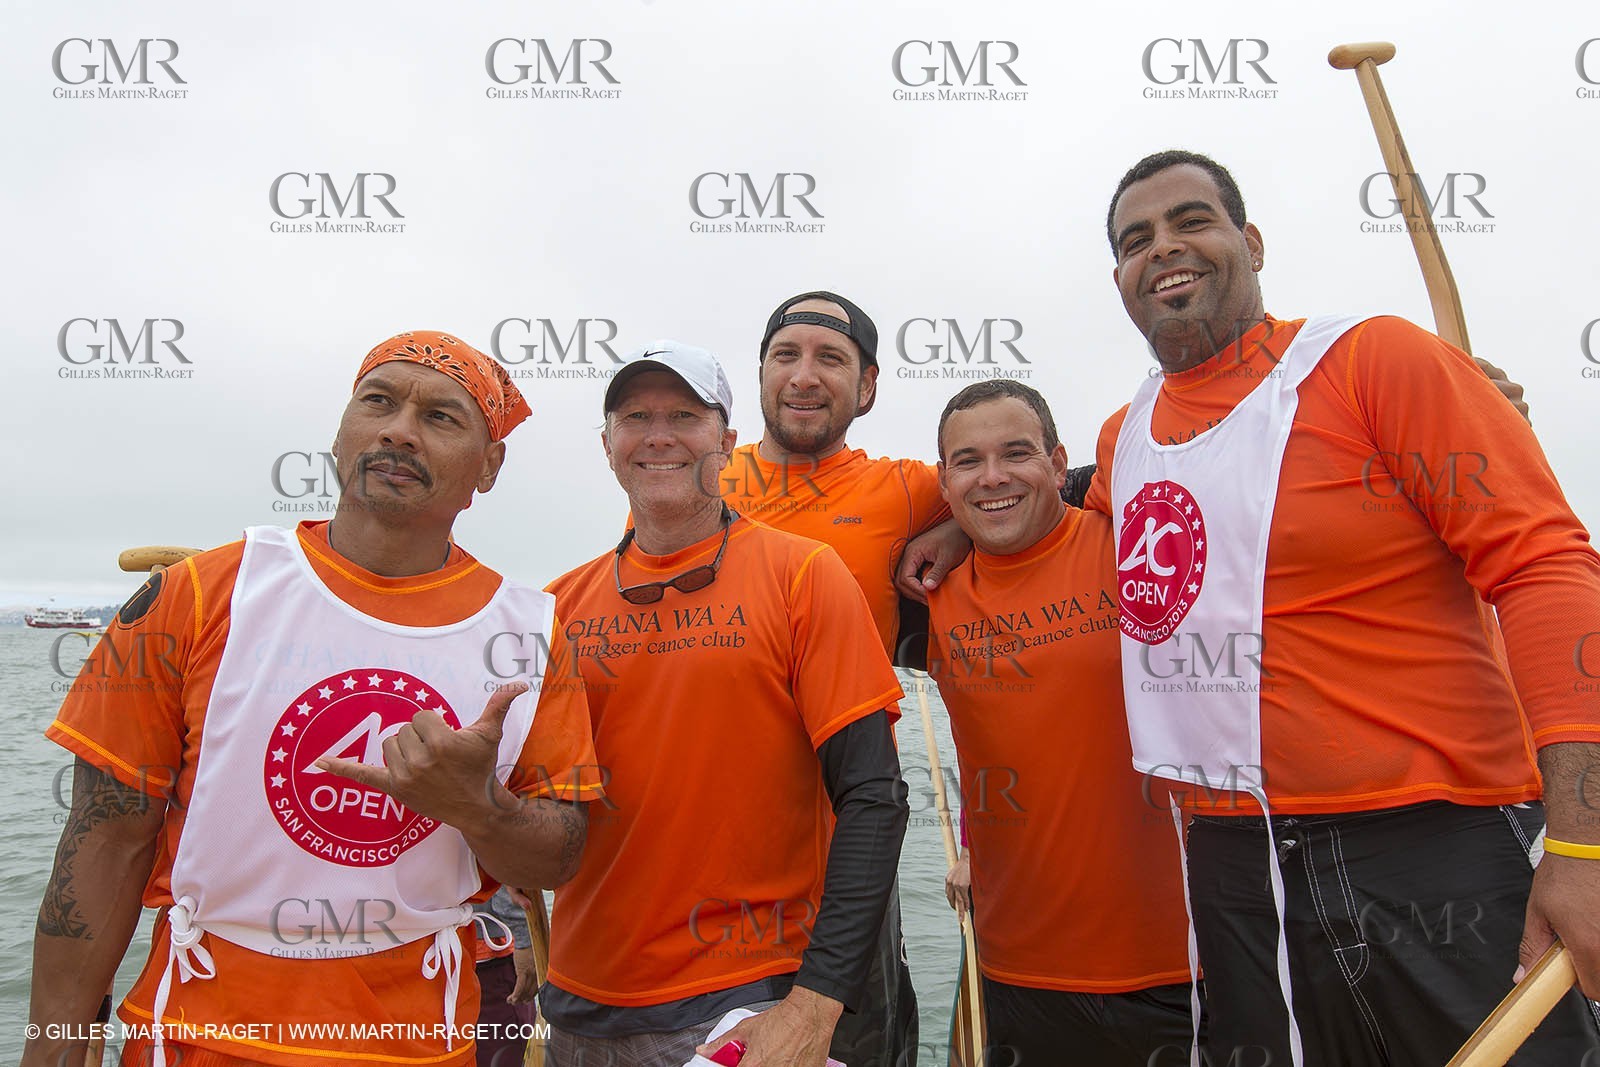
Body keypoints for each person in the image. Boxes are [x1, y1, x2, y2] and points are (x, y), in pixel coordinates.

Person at [1086, 149, 1600, 1065]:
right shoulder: (1123, 439)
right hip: (1232, 868)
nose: (1163, 247)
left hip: (1434, 846)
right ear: (1119, 277)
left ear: (1249, 240)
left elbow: (1547, 569)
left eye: (1191, 221)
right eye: (1135, 240)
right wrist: (954, 531)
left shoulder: (1377, 359)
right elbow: (1036, 520)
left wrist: (1586, 842)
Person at [25, 330, 602, 1067]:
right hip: (196, 1035)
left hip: (421, 1044)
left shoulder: (530, 633)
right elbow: (104, 842)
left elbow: (561, 855)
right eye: (378, 401)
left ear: (489, 466)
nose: (398, 428)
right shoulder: (197, 596)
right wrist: (56, 1048)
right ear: (340, 432)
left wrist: (474, 805)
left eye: (441, 417)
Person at [540, 340, 910, 1067]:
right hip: (578, 1004)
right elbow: (546, 816)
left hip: (743, 1003)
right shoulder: (556, 604)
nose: (659, 434)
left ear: (727, 442)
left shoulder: (803, 573)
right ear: (608, 444)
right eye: (635, 415)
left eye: (685, 414)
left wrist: (816, 1004)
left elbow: (875, 794)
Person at [927, 378, 1195, 1065]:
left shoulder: (1135, 543)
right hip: (1016, 970)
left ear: (1057, 463)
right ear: (943, 481)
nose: (993, 477)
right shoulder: (927, 595)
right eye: (968, 461)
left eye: (1016, 453)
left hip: (1184, 961)